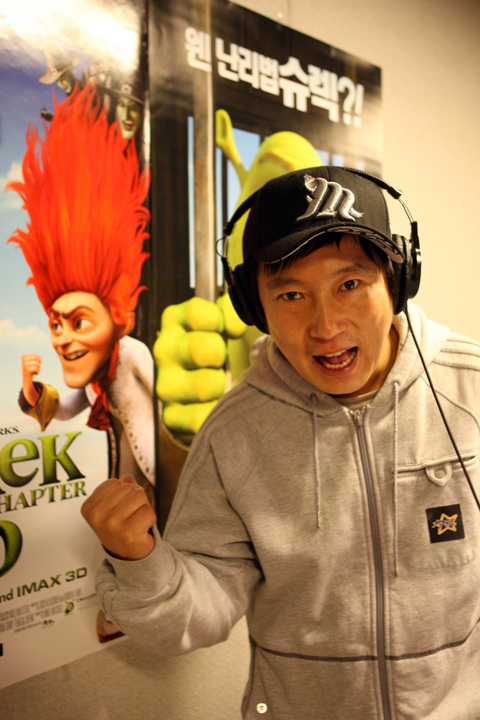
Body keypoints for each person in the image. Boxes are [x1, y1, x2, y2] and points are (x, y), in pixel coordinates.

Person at [82, 166, 480, 719]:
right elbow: (197, 612)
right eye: (291, 294)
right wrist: (139, 562)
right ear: (254, 307)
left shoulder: (470, 388)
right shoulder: (234, 432)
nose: (326, 325)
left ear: (397, 280)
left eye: (349, 285)